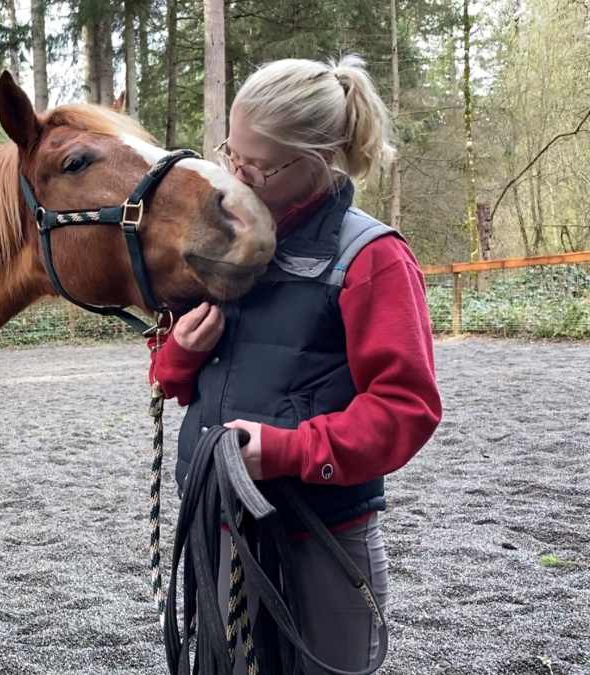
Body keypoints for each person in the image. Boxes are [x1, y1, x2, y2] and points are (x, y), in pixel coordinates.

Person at [148, 54, 443, 674]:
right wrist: (180, 353)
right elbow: (170, 379)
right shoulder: (220, 241)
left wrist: (286, 451)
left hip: (323, 535)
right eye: (231, 152)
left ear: (317, 157)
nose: (235, 174)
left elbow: (406, 410)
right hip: (219, 522)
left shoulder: (372, 259)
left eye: (257, 165)